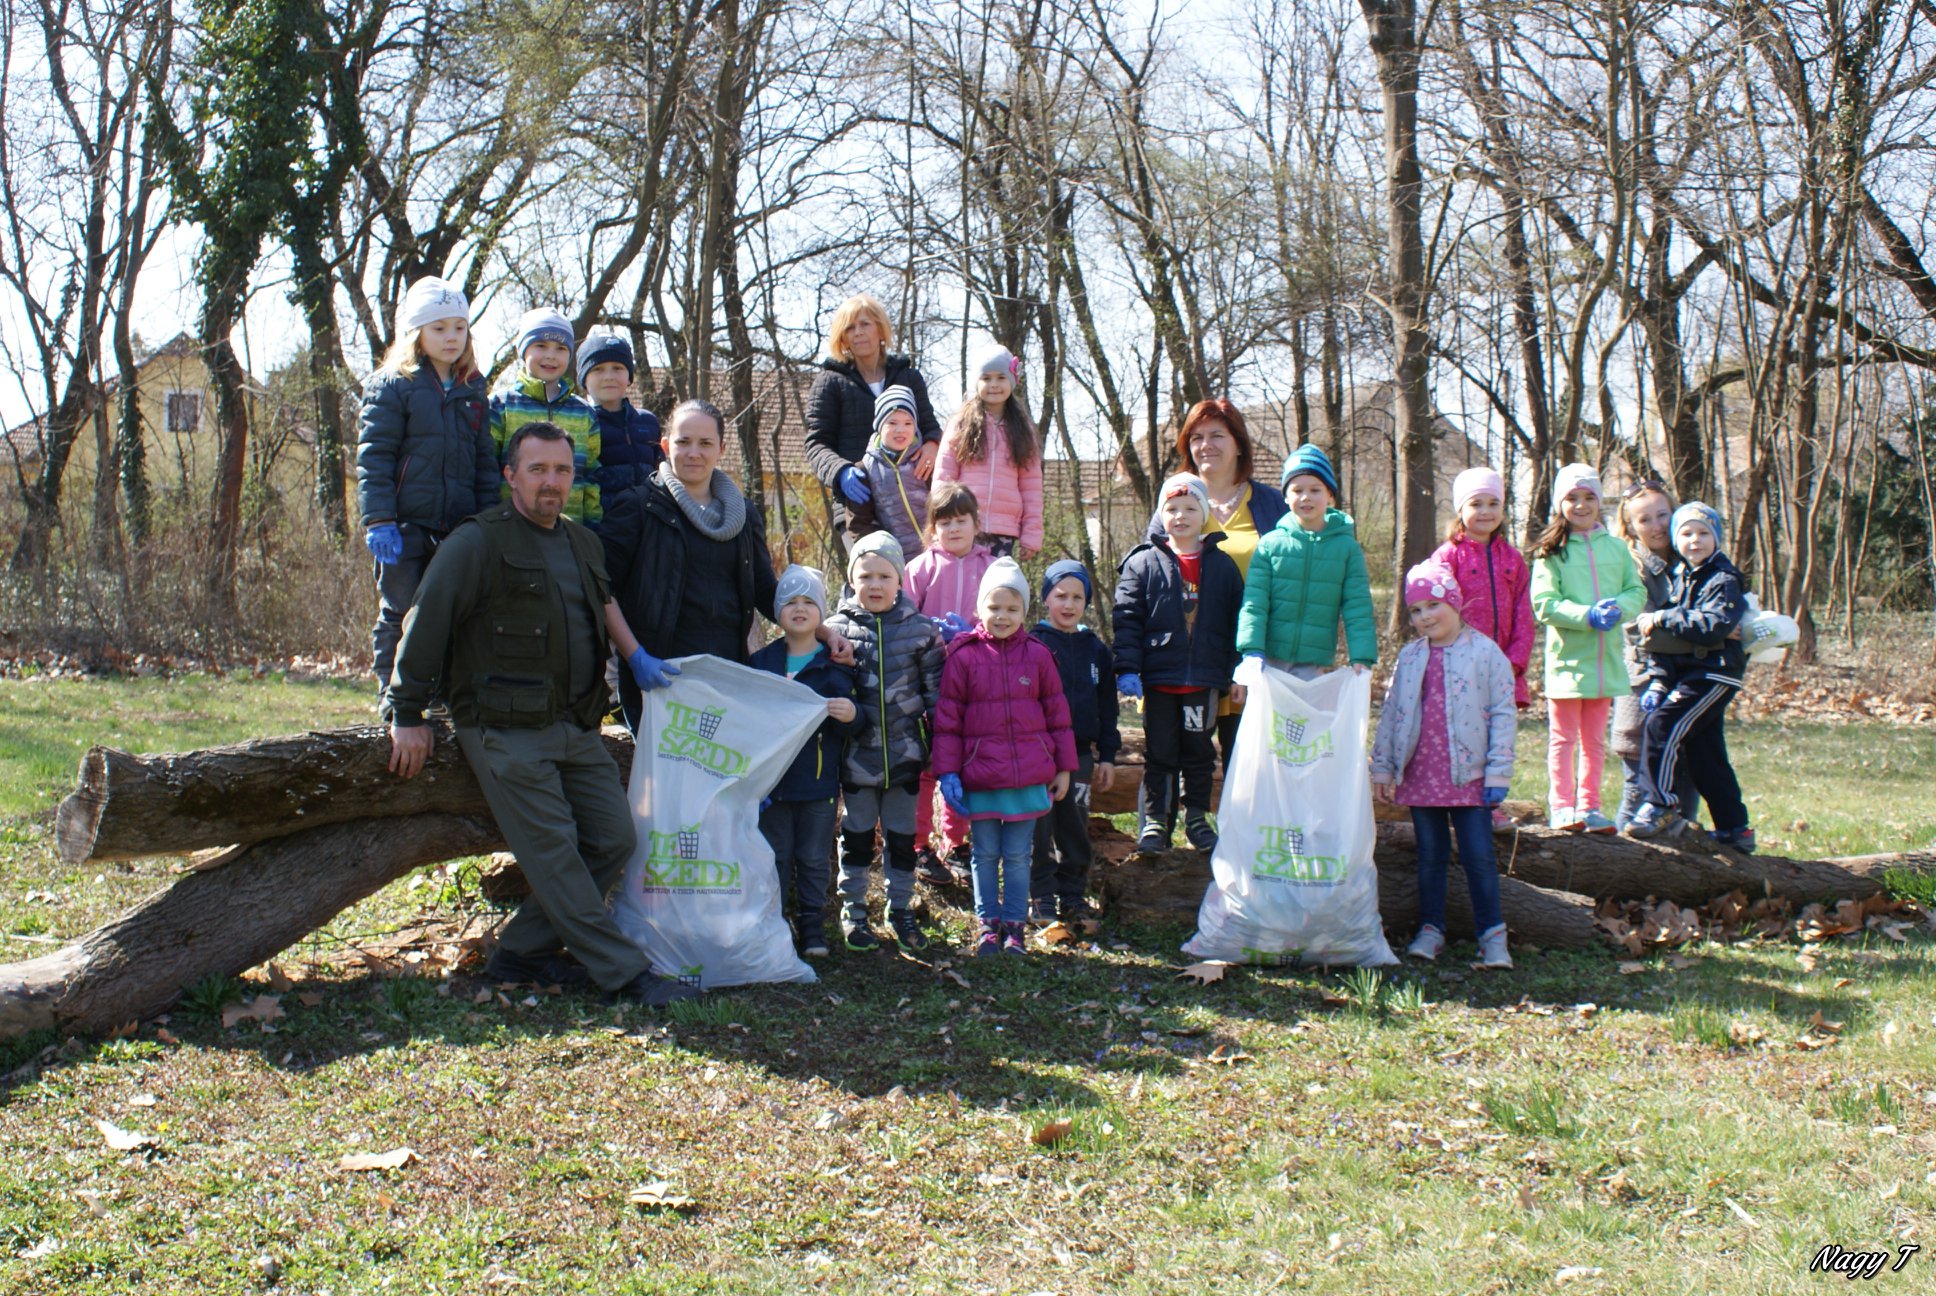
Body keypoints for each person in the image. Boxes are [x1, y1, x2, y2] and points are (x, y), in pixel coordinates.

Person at [383, 420, 697, 1008]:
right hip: (503, 729)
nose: (551, 482)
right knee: (555, 852)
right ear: (511, 475)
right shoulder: (477, 543)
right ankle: (626, 974)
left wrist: (636, 658)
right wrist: (406, 711)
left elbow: (603, 610)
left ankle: (519, 954)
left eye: (561, 470)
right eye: (537, 470)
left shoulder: (582, 542)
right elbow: (424, 624)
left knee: (614, 839)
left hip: (575, 725)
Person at [599, 399, 847, 732]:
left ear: (721, 449)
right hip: (659, 680)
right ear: (665, 446)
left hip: (727, 678)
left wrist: (825, 633)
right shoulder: (637, 507)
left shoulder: (743, 515)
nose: (694, 453)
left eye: (705, 443)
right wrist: (635, 657)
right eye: (683, 442)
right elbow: (602, 588)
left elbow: (766, 593)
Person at [1370, 559, 1517, 969]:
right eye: (1416, 610)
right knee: (1430, 855)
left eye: (1433, 605)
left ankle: (1492, 935)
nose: (1424, 616)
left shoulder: (1485, 653)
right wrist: (1383, 767)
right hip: (1422, 774)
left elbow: (1504, 713)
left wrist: (1498, 770)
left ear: (1454, 602)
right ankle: (1431, 929)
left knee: (1478, 856)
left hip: (1469, 775)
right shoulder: (1411, 656)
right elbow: (1393, 712)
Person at [354, 276, 497, 692]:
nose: (451, 337)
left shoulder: (472, 388)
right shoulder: (392, 384)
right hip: (403, 526)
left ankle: (437, 694)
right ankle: (391, 692)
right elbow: (375, 456)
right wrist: (379, 519)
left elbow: (484, 461)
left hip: (456, 526)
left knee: (449, 613)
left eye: (459, 327)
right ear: (416, 332)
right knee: (400, 609)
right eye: (439, 328)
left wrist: (487, 521)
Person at [933, 558, 1077, 957]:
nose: (1002, 616)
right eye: (994, 607)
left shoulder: (1038, 655)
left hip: (1027, 777)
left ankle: (1014, 925)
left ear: (1025, 611)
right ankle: (987, 925)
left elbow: (1058, 715)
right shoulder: (962, 656)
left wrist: (1064, 767)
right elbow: (947, 721)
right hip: (980, 776)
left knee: (1017, 855)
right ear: (979, 607)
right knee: (983, 854)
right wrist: (948, 773)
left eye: (1012, 608)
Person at [825, 531, 946, 952]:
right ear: (851, 579)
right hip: (855, 760)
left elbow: (938, 699)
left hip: (906, 759)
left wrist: (941, 752)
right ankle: (854, 909)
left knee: (901, 838)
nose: (874, 585)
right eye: (865, 576)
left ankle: (901, 908)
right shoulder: (834, 631)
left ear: (900, 580)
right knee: (856, 836)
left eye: (884, 576)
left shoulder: (922, 632)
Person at [1112, 474, 1244, 854]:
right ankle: (1156, 821)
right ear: (1161, 515)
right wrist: (1128, 668)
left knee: (1199, 752)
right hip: (1159, 680)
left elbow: (1237, 623)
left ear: (1204, 515)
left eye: (1190, 508)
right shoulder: (1143, 563)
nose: (1181, 516)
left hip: (1203, 681)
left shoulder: (1222, 566)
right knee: (1160, 753)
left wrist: (1237, 671)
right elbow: (1127, 619)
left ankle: (1197, 819)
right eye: (1171, 509)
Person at [748, 566, 864, 958]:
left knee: (814, 858)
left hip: (818, 786)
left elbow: (856, 723)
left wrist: (852, 714)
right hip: (772, 787)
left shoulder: (835, 665)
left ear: (821, 612)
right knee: (775, 856)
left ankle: (813, 924)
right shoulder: (761, 663)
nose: (799, 609)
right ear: (777, 612)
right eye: (790, 602)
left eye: (809, 602)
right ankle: (775, 923)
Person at [1626, 503, 1754, 851]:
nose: (1694, 540)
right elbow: (1667, 642)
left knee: (1662, 724)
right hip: (1692, 671)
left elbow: (1714, 626)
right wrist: (1659, 679)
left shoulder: (1723, 578)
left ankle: (1660, 804)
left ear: (1717, 538)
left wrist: (1664, 617)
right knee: (1704, 752)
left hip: (1716, 673)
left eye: (1703, 533)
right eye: (1686, 533)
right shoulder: (1683, 576)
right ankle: (1735, 828)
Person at [1530, 462, 1646, 832]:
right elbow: (1544, 604)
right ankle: (1562, 807)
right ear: (1559, 505)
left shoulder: (1617, 548)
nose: (1581, 505)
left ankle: (1590, 807)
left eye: (1588, 497)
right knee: (1563, 739)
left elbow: (1636, 591)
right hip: (1566, 662)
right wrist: (1586, 615)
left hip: (1605, 661)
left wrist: (1619, 609)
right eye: (1572, 498)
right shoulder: (1550, 552)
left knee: (1594, 742)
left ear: (1599, 502)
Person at [1174, 399, 1288, 767]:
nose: (1205, 445)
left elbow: (1292, 580)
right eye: (1197, 437)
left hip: (1256, 656)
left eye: (1217, 435)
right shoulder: (1175, 501)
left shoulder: (1273, 505)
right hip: (1191, 660)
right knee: (1183, 766)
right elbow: (1151, 576)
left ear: (1238, 444)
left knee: (1253, 766)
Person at [902, 481, 991, 882]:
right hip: (926, 681)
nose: (953, 528)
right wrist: (928, 635)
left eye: (961, 520)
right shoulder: (920, 568)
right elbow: (903, 619)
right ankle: (919, 844)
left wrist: (971, 635)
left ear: (976, 523)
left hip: (975, 682)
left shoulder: (991, 567)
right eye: (944, 522)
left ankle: (956, 843)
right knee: (924, 765)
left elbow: (1005, 618)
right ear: (932, 527)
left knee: (962, 763)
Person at [803, 294, 942, 541]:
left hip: (914, 503)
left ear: (880, 328)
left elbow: (930, 427)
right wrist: (841, 471)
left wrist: (932, 445)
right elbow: (816, 444)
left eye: (865, 324)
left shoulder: (909, 377)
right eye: (850, 327)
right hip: (859, 506)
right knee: (874, 566)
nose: (858, 332)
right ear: (842, 337)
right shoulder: (830, 383)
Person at [1235, 443, 1377, 680]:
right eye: (1297, 490)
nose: (1305, 497)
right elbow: (1254, 603)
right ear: (1285, 496)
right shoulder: (1270, 545)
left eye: (1315, 490)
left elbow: (1358, 606)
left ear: (1330, 495)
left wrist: (1362, 656)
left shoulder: (1347, 549)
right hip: (1268, 660)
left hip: (1313, 663)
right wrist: (1251, 650)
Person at [1029, 559, 1120, 924]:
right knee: (1038, 827)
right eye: (1060, 596)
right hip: (1038, 754)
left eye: (1077, 598)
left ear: (1087, 602)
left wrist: (1108, 755)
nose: (1068, 605)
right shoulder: (1033, 643)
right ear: (1045, 599)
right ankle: (1041, 895)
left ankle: (1073, 894)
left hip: (1081, 754)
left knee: (1075, 825)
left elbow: (1108, 705)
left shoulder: (1095, 649)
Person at [1610, 479, 1702, 832]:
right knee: (1639, 787)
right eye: (1644, 519)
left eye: (1662, 515)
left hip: (1690, 680)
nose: (1657, 525)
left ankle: (1683, 860)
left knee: (1687, 778)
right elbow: (1642, 630)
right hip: (1644, 684)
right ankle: (1621, 859)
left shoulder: (1695, 556)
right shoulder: (1627, 566)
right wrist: (1704, 628)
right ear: (1631, 526)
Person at [1430, 466, 1533, 709]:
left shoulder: (1513, 559)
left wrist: (1514, 662)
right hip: (1459, 668)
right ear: (1461, 509)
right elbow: (1436, 612)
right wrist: (1453, 655)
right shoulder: (1447, 557)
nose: (1486, 511)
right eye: (1476, 504)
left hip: (1504, 669)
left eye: (1493, 503)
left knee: (1499, 731)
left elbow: (1524, 615)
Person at [490, 308, 600, 524]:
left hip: (569, 530)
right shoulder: (500, 405)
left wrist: (592, 525)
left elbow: (592, 474)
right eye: (541, 346)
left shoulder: (584, 413)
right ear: (523, 350)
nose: (551, 355)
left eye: (560, 348)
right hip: (509, 528)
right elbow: (486, 469)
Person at [935, 345, 1043, 558]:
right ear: (976, 382)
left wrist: (1031, 534)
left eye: (1001, 378)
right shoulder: (961, 423)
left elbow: (1031, 487)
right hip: (963, 524)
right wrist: (939, 521)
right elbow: (943, 476)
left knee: (997, 580)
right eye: (986, 378)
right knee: (964, 578)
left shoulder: (1022, 429)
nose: (994, 385)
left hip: (1004, 529)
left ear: (1012, 381)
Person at [841, 385, 931, 558]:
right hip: (896, 559)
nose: (900, 429)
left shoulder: (926, 459)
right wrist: (881, 555)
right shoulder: (865, 470)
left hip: (936, 554)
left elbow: (946, 505)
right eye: (892, 423)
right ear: (879, 425)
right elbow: (859, 524)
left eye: (908, 423)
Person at [577, 331, 661, 506]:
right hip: (602, 519)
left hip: (648, 518)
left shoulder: (648, 422)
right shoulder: (579, 423)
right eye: (598, 369)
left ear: (629, 377)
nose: (609, 376)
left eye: (617, 368)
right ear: (584, 379)